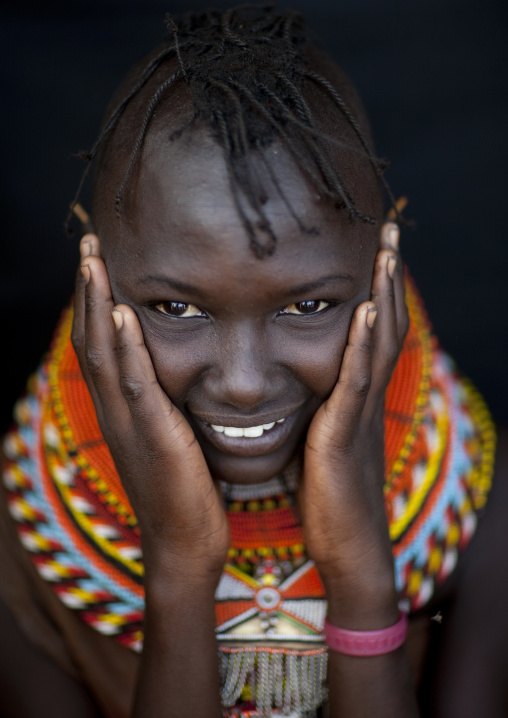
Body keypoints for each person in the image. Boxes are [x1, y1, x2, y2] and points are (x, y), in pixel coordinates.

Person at [0, 5, 506, 717]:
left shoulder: (481, 509)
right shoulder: (20, 538)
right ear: (98, 275)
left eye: (308, 307)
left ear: (382, 270)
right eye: (177, 308)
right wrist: (177, 568)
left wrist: (361, 565)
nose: (242, 384)